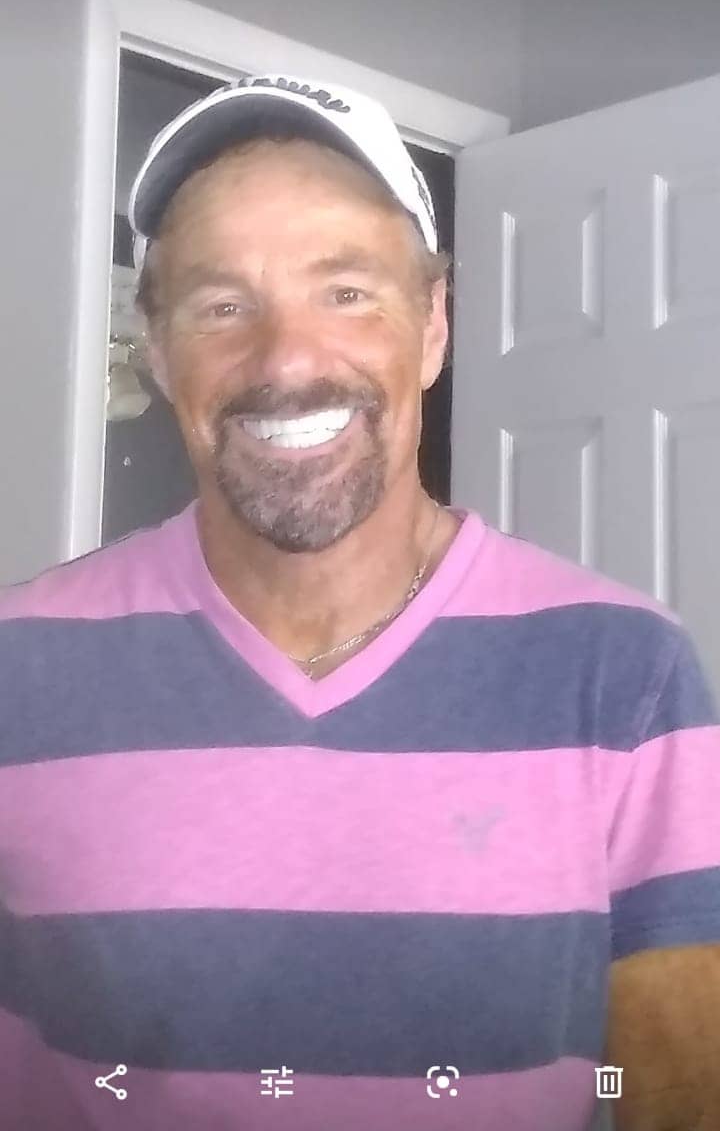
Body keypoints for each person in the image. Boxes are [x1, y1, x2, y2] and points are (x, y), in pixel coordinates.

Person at [0, 72, 719, 1131]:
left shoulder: (625, 670)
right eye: (221, 306)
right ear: (159, 353)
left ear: (433, 325)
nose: (287, 358)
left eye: (346, 292)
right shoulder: (18, 664)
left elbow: (683, 1096)